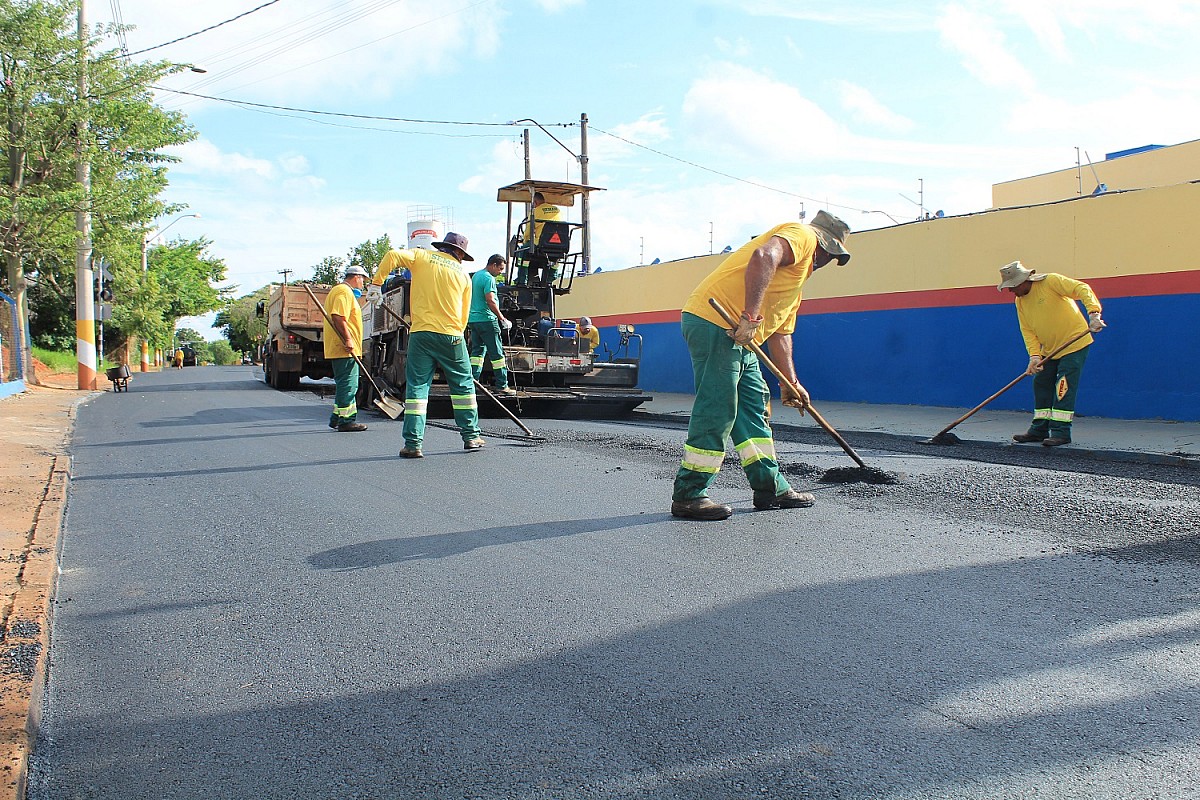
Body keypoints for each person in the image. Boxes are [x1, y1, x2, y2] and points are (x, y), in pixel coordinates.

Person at [670, 210, 852, 521]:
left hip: (741, 337)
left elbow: (781, 333)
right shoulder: (802, 235)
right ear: (823, 244)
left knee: (753, 406)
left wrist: (790, 382)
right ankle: (689, 493)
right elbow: (763, 255)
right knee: (719, 405)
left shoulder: (794, 284)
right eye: (830, 254)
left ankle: (770, 487)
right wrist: (750, 318)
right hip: (718, 323)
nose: (826, 262)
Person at [369, 232, 484, 458]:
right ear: (460, 253)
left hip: (421, 334)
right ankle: (471, 436)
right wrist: (457, 336)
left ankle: (413, 443)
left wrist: (376, 284)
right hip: (451, 334)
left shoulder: (422, 257)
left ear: (442, 247)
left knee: (418, 388)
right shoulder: (463, 274)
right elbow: (464, 313)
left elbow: (392, 255)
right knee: (463, 386)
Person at [998, 260, 1105, 447]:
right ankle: (1039, 429)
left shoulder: (1051, 282)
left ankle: (1061, 432)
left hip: (1075, 344)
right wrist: (1034, 356)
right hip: (1049, 350)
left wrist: (1094, 313)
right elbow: (1027, 330)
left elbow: (1082, 288)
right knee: (1041, 383)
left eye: (1012, 287)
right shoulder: (1020, 302)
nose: (1011, 291)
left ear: (1024, 280)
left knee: (1063, 386)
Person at [323, 265, 370, 432]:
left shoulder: (342, 291)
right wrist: (348, 339)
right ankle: (346, 420)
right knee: (349, 385)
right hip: (344, 347)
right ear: (356, 277)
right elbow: (338, 316)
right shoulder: (343, 291)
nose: (363, 283)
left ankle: (336, 417)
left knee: (345, 384)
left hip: (343, 347)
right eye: (363, 279)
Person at [468, 254, 516, 396]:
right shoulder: (489, 278)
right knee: (497, 354)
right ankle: (502, 385)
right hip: (487, 320)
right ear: (493, 265)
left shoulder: (476, 276)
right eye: (500, 268)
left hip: (474, 320)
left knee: (477, 353)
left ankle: (473, 383)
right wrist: (502, 318)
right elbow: (490, 300)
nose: (501, 272)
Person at [516, 192, 564, 285]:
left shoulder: (535, 211)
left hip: (541, 244)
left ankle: (522, 281)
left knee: (522, 251)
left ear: (535, 202)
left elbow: (528, 230)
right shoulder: (557, 210)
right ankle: (550, 280)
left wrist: (525, 241)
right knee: (555, 258)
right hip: (559, 245)